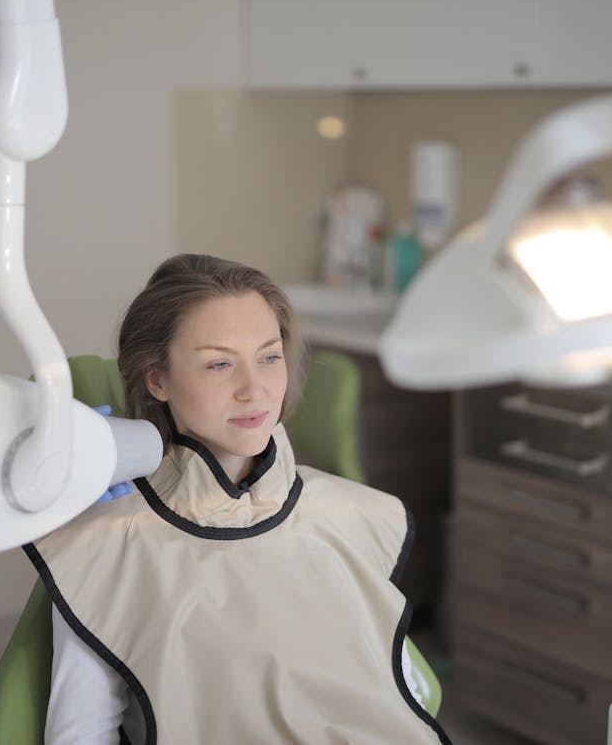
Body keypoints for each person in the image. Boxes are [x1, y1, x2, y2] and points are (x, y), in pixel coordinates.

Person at [27, 254, 450, 744]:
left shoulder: (348, 516)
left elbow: (402, 697)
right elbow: (81, 733)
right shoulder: (106, 544)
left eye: (269, 357)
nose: (255, 390)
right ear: (156, 378)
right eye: (219, 364)